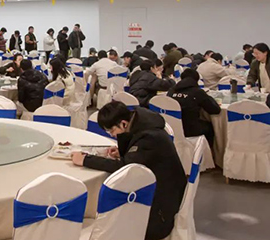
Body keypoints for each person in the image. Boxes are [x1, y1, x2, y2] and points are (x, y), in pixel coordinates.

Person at [71, 101, 186, 240]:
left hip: (160, 208)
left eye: (112, 131)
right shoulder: (142, 122)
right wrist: (124, 152)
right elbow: (140, 155)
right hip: (159, 188)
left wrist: (85, 160)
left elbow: (125, 167)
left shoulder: (150, 138)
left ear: (124, 124)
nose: (112, 135)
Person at [167, 69, 221, 144]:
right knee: (209, 127)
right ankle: (206, 150)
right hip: (191, 130)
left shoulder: (171, 91)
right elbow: (215, 110)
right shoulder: (197, 92)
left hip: (171, 129)